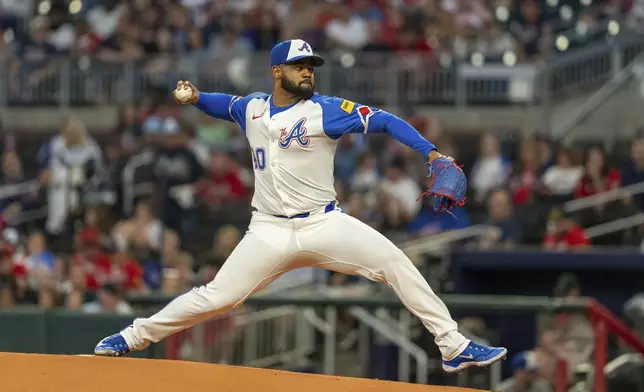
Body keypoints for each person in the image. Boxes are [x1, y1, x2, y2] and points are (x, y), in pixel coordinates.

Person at [94, 39, 507, 373]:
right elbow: (225, 105)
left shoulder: (324, 111)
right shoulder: (254, 107)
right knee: (216, 296)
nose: (308, 71)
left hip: (322, 224)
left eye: (310, 66)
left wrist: (431, 154)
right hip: (268, 230)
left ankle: (452, 345)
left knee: (396, 262)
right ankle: (132, 337)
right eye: (299, 65)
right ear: (278, 71)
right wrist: (197, 97)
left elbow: (383, 120)